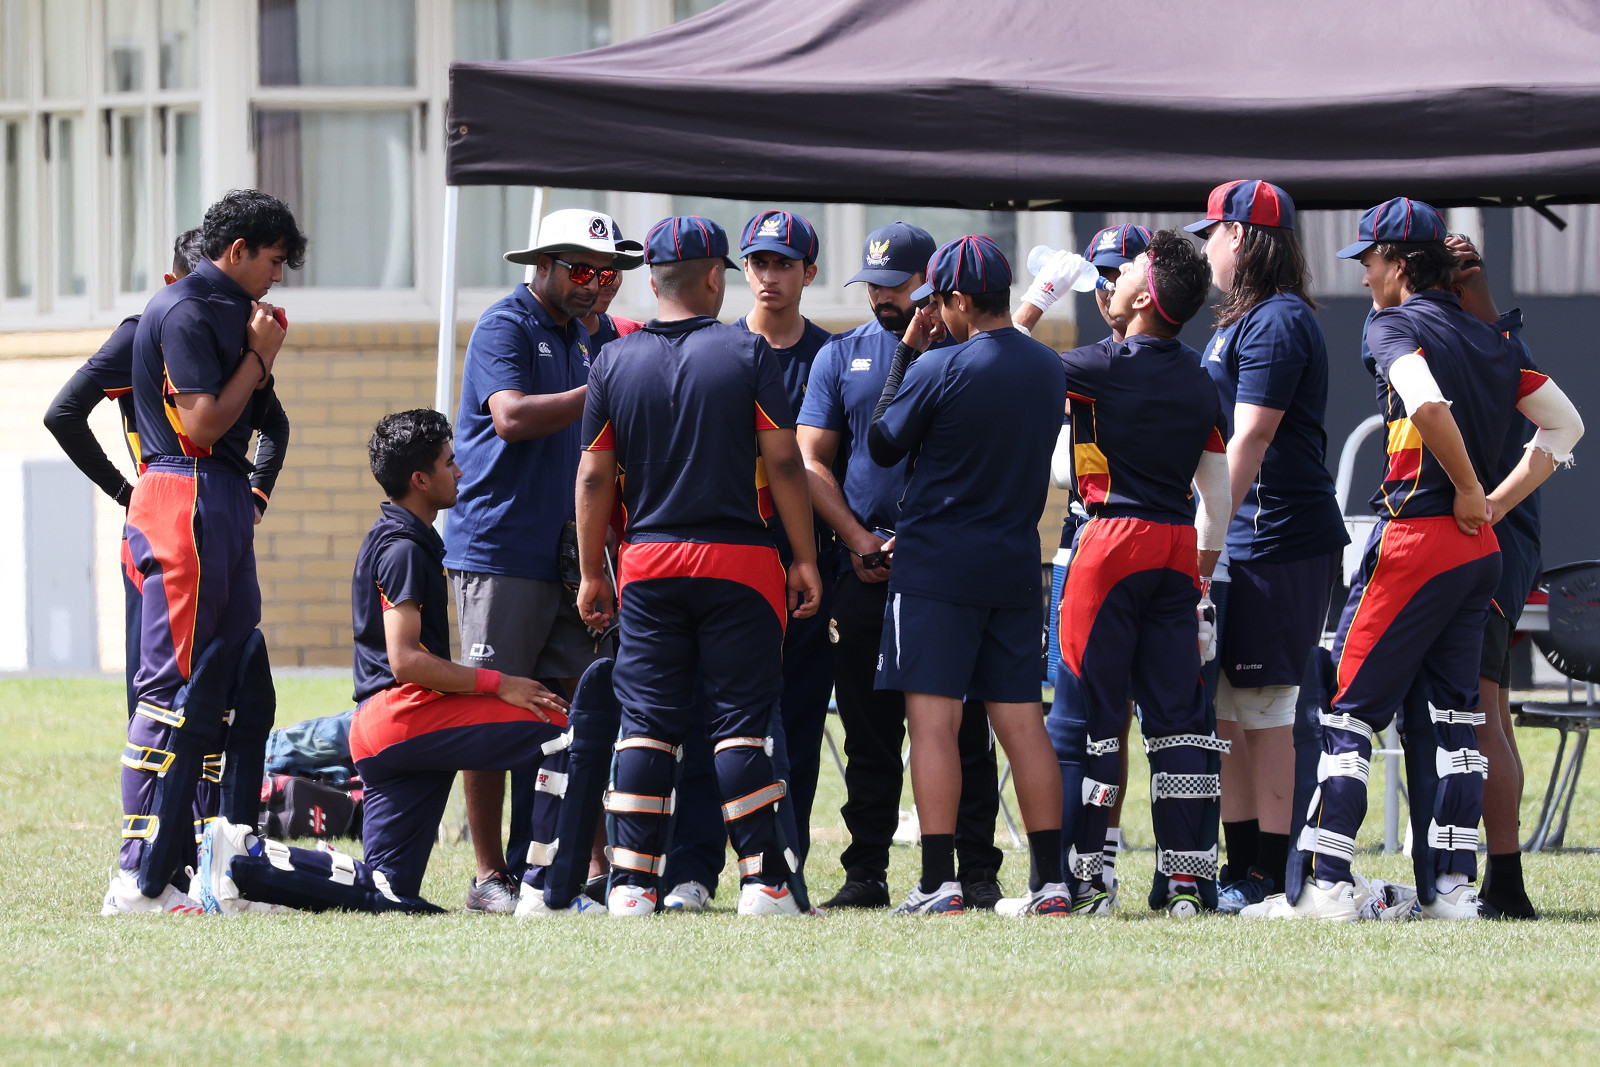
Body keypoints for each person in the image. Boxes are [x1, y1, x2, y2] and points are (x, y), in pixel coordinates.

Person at [1249, 198, 1583, 921]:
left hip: (1415, 538)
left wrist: (1468, 489)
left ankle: (1327, 883)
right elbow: (1567, 425)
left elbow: (1426, 405)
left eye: (1370, 260)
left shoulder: (1393, 323)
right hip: (1477, 552)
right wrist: (1493, 504)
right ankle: (1454, 890)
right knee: (1455, 720)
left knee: (1346, 708)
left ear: (1400, 264)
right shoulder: (1496, 339)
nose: (1364, 274)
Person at [191, 409, 589, 916]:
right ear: (420, 480)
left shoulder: (399, 536)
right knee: (555, 724)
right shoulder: (403, 549)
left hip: (385, 730)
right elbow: (405, 660)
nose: (459, 471)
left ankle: (239, 864)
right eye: (449, 463)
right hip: (403, 718)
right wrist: (499, 683)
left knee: (384, 892)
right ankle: (544, 891)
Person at [575, 215, 823, 918]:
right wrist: (804, 557)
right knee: (741, 722)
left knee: (647, 723)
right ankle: (763, 883)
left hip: (648, 561)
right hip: (741, 561)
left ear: (653, 281)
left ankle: (630, 886)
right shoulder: (749, 353)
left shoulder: (612, 361)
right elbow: (785, 465)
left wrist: (592, 571)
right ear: (715, 276)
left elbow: (593, 477)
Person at [47, 229, 291, 910]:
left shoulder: (232, 334)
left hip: (213, 510)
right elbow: (64, 412)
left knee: (222, 688)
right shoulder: (151, 328)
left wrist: (253, 498)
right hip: (170, 514)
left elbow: (274, 424)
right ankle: (145, 868)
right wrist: (126, 492)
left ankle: (202, 865)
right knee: (163, 693)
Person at [798, 222, 1007, 911]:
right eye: (873, 285)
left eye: (896, 286)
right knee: (869, 732)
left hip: (947, 568)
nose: (881, 298)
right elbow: (810, 461)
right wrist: (858, 540)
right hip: (864, 567)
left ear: (933, 285)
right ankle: (866, 872)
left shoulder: (972, 354)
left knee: (964, 728)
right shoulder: (841, 354)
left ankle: (976, 870)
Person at [443, 208, 641, 912]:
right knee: (490, 707)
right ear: (544, 265)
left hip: (568, 552)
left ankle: (589, 866)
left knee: (584, 705)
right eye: (581, 270)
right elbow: (511, 417)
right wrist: (606, 388)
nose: (594, 284)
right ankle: (489, 874)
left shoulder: (589, 336)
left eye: (606, 274)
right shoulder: (505, 324)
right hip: (498, 547)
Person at [866, 235, 1067, 917]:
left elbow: (881, 443)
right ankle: (1051, 883)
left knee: (934, 726)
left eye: (939, 303)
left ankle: (937, 882)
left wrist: (907, 353)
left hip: (935, 565)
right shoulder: (1047, 366)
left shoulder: (938, 365)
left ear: (957, 299)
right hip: (1013, 563)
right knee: (1024, 726)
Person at [1050, 231, 1231, 916]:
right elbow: (1218, 495)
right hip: (1177, 547)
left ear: (1146, 298)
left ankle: (1087, 881)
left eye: (1131, 269)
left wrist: (1038, 298)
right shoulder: (1199, 375)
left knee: (1092, 720)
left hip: (1109, 542)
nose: (1118, 272)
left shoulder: (1102, 363)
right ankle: (1185, 881)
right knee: (1178, 719)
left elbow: (1006, 360)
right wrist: (1201, 577)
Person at [1184, 181, 1349, 913]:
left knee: (1267, 704)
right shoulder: (1240, 321)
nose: (1206, 249)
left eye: (1213, 233)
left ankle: (1270, 872)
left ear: (1244, 238)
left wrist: (1206, 536)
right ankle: (1241, 864)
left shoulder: (1279, 321)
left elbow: (1249, 437)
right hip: (1238, 533)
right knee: (1226, 706)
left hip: (1277, 537)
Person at [663, 210, 834, 912]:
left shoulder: (828, 357)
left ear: (809, 273)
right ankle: (692, 870)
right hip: (727, 567)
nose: (769, 276)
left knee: (797, 726)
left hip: (800, 568)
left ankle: (782, 869)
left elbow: (817, 468)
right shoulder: (721, 351)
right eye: (758, 262)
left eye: (784, 263)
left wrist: (817, 555)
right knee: (713, 721)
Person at [1421, 233, 1542, 919]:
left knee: (1484, 712)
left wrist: (1488, 504)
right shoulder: (1487, 340)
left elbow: (1558, 436)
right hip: (1496, 541)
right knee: (1489, 713)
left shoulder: (1495, 347)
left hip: (1489, 544)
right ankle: (1501, 878)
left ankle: (1505, 882)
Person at [1032, 222, 1151, 907]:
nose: (1106, 290)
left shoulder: (1163, 360)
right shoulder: (1084, 362)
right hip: (1086, 545)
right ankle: (1088, 866)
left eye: (1118, 275)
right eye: (1098, 277)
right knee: (1086, 719)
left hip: (1137, 551)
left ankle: (1098, 863)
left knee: (1124, 717)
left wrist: (1035, 301)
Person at [580, 253, 645, 351]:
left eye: (617, 269)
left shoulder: (636, 335)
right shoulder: (554, 339)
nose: (615, 281)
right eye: (602, 270)